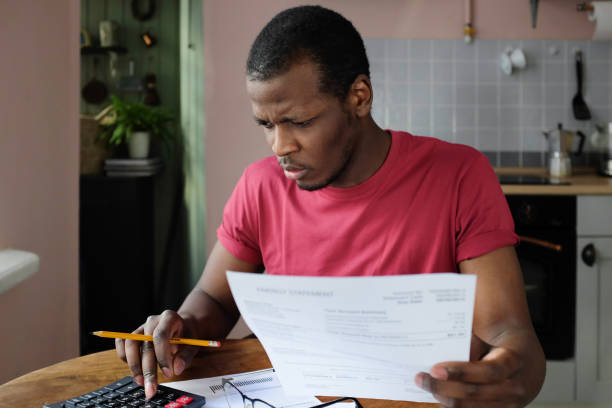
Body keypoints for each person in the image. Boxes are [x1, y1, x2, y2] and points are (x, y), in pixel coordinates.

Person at [116, 5, 546, 406]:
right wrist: (181, 328)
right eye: (266, 124)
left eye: (299, 122)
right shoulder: (260, 185)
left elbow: (507, 332)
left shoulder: (459, 175)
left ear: (359, 97)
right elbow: (215, 298)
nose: (280, 146)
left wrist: (513, 374)